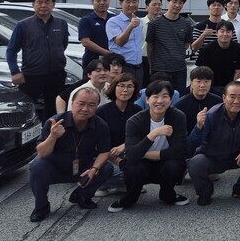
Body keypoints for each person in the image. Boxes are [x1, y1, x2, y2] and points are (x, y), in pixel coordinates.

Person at [27, 87, 113, 222]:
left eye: (91, 105)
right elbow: (42, 153)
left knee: (107, 168)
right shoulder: (55, 122)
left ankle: (81, 195)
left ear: (97, 106)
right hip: (55, 169)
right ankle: (42, 206)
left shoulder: (100, 124)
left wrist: (94, 169)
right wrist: (53, 136)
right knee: (37, 165)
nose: (85, 109)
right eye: (81, 103)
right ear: (72, 103)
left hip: (83, 169)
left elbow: (104, 151)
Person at [109, 80, 189, 212]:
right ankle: (130, 197)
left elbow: (179, 151)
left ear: (170, 99)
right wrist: (153, 134)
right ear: (147, 100)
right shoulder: (134, 121)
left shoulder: (178, 117)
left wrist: (143, 153)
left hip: (165, 162)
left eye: (165, 96)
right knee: (133, 167)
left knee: (176, 165)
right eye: (155, 96)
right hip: (141, 164)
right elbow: (131, 156)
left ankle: (168, 194)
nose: (160, 100)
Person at [187, 81, 240, 205]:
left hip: (237, 156)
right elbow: (191, 145)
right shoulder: (212, 115)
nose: (236, 101)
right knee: (195, 163)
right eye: (232, 97)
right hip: (213, 157)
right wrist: (198, 127)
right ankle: (205, 191)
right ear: (224, 98)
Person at [6, 0, 69, 122]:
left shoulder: (61, 24)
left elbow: (63, 45)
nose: (43, 5)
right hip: (31, 75)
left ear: (53, 5)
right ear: (33, 5)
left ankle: (52, 135)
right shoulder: (23, 25)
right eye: (39, 2)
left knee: (54, 109)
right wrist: (15, 71)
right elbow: (11, 50)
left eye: (47, 2)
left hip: (56, 74)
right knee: (26, 107)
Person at [95, 72, 142, 196]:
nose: (125, 90)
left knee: (142, 169)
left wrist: (125, 145)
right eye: (121, 86)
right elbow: (96, 141)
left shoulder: (137, 111)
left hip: (128, 153)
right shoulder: (102, 112)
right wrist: (114, 158)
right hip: (105, 155)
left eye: (129, 86)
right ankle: (102, 185)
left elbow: (141, 137)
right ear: (114, 87)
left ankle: (124, 184)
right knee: (110, 171)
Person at [146, 0, 194, 93]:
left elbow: (186, 44)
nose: (177, 5)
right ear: (168, 2)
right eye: (174, 2)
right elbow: (150, 45)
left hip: (179, 69)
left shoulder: (186, 24)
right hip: (159, 69)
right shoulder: (155, 23)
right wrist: (151, 65)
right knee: (159, 96)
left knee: (178, 98)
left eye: (180, 3)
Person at [175, 67, 222, 153]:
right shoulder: (180, 105)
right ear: (191, 83)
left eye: (206, 81)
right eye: (198, 81)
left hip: (213, 145)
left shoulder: (218, 102)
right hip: (188, 146)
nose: (202, 85)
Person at [105, 0, 145, 85]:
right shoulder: (113, 21)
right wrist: (130, 26)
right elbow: (120, 42)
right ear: (121, 3)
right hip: (122, 66)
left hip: (138, 66)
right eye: (128, 2)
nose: (131, 5)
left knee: (136, 95)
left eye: (134, 1)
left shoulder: (139, 21)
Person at [195, 21, 240, 93]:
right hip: (212, 86)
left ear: (232, 33)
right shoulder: (207, 49)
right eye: (222, 31)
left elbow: (238, 71)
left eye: (228, 31)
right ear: (217, 33)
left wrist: (233, 88)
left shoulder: (239, 49)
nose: (225, 34)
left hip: (231, 85)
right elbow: (202, 71)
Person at [79, 0, 112, 65]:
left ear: (109, 1)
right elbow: (86, 42)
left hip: (112, 61)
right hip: (92, 61)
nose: (102, 3)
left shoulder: (114, 19)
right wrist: (107, 53)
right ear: (92, 2)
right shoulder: (86, 20)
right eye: (98, 0)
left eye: (105, 0)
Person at [140, 0, 162, 84]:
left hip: (159, 59)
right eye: (154, 4)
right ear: (147, 7)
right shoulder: (139, 23)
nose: (157, 7)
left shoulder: (164, 23)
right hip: (142, 59)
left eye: (159, 5)